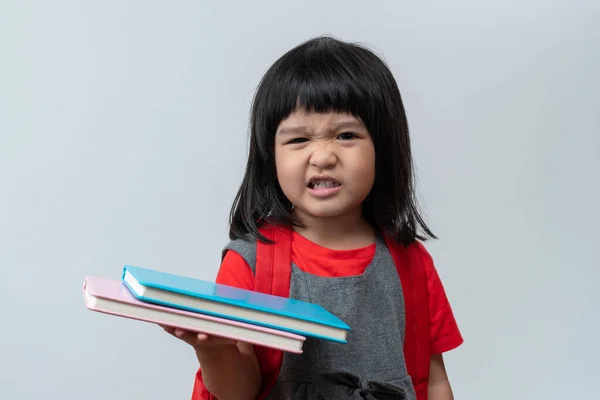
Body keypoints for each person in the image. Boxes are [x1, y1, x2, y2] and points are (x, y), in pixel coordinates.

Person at [163, 35, 463, 400]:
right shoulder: (250, 264)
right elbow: (239, 392)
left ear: (383, 148)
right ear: (269, 157)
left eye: (347, 134)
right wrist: (212, 348)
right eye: (298, 140)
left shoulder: (412, 263)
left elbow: (433, 380)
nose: (322, 156)